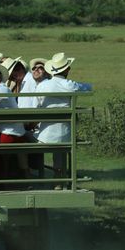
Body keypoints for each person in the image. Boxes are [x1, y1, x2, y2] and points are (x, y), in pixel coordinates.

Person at [36, 52, 92, 184]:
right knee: (61, 146)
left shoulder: (42, 85)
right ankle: (59, 180)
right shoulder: (70, 85)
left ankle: (53, 179)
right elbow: (89, 87)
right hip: (66, 134)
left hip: (44, 135)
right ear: (66, 69)